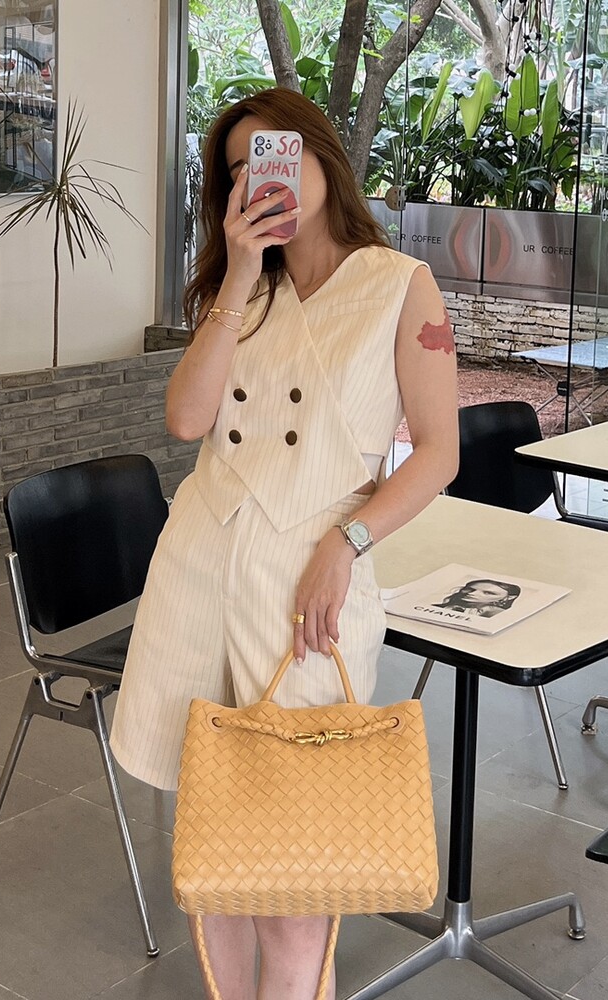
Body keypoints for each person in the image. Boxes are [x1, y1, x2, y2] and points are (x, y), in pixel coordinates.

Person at [109, 88, 459, 1000]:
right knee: (217, 853)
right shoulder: (243, 290)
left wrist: (348, 542)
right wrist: (235, 273)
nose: (264, 181)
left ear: (319, 155)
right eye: (240, 171)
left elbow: (439, 453)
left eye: (277, 156)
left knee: (298, 882)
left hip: (311, 586)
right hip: (200, 568)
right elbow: (186, 419)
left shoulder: (399, 285)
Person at [433, 579, 521, 618]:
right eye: (469, 589)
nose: (471, 593)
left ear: (509, 597)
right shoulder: (439, 607)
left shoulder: (499, 615)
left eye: (488, 593)